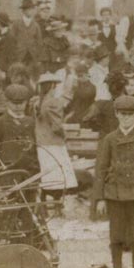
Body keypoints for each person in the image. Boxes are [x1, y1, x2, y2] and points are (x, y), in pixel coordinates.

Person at [92, 95, 134, 268]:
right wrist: (100, 198)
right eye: (122, 114)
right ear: (116, 115)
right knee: (116, 236)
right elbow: (101, 170)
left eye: (130, 114)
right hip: (115, 195)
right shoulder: (109, 139)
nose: (126, 118)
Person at [34, 71, 78, 202]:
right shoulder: (54, 102)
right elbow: (56, 126)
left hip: (42, 142)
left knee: (46, 174)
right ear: (52, 86)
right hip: (54, 143)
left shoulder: (38, 102)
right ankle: (58, 204)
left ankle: (45, 201)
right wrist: (65, 135)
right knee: (59, 176)